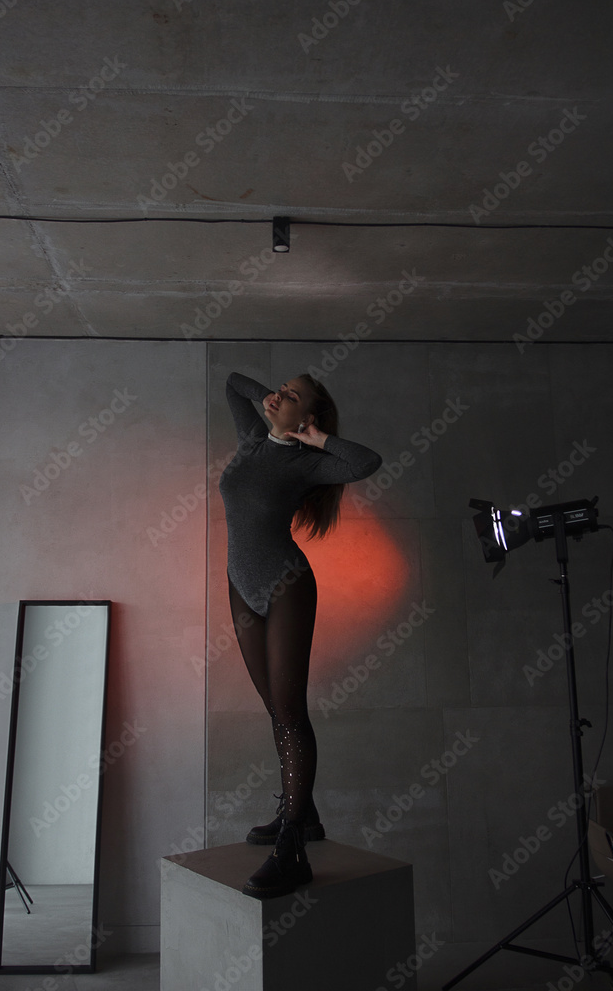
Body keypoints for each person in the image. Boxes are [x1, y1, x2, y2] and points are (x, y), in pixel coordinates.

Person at [218, 371, 382, 898]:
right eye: (281, 389)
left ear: (307, 418)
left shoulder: (308, 461)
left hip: (287, 585)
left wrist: (315, 436)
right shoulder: (251, 440)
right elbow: (231, 383)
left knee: (289, 711)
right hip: (242, 585)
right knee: (273, 706)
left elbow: (366, 462)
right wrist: (275, 396)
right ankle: (300, 808)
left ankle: (292, 847)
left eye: (291, 396)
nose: (277, 396)